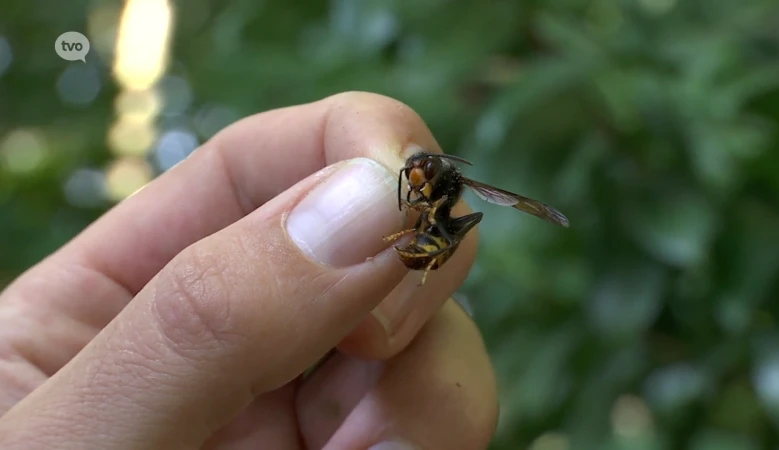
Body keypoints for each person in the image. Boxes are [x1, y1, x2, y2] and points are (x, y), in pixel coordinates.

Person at [0, 92, 499, 449]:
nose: (412, 179)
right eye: (413, 174)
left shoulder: (440, 194)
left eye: (420, 176)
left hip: (426, 247)